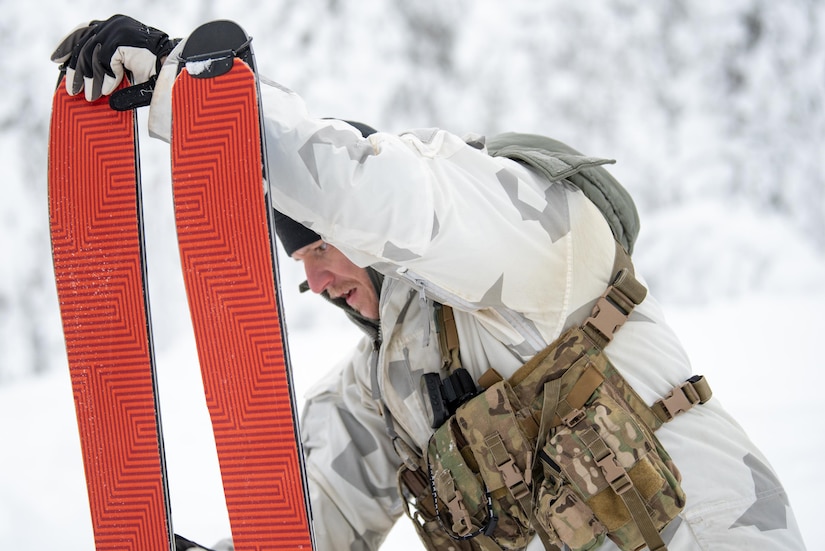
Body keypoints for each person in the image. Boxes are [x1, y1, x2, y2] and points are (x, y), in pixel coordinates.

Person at [52, 15, 807, 551]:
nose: (311, 281)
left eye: (319, 248)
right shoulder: (384, 384)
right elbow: (310, 517)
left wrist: (197, 95)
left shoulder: (529, 237)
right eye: (298, 263)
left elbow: (392, 198)